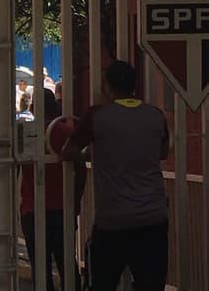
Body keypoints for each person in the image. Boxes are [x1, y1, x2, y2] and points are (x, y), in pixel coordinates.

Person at [62, 60, 169, 291]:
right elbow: (162, 152)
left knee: (101, 283)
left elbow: (68, 151)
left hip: (113, 220)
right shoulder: (155, 115)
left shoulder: (97, 116)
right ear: (135, 85)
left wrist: (92, 158)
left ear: (107, 87)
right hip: (153, 218)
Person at [19, 88, 86, 291]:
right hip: (62, 208)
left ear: (32, 108)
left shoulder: (27, 133)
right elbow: (80, 172)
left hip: (33, 208)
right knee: (67, 263)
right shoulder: (68, 131)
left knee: (41, 268)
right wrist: (75, 203)